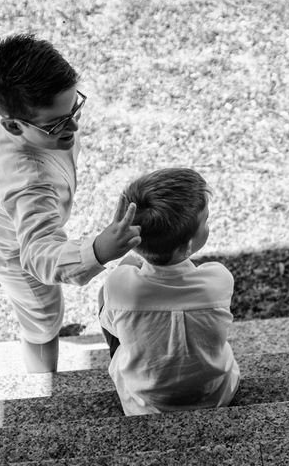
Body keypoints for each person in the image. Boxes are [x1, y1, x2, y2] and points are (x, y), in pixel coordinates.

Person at [0, 34, 141, 373]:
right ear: (13, 125)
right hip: (9, 249)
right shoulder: (29, 181)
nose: (74, 125)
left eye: (74, 108)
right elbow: (37, 255)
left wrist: (54, 124)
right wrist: (98, 250)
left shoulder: (15, 110)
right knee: (43, 322)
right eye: (57, 123)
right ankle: (43, 395)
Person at [98, 168, 240, 416]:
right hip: (216, 394)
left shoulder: (119, 285)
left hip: (144, 405)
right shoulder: (218, 278)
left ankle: (124, 363)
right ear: (187, 245)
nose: (207, 224)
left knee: (105, 296)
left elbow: (111, 325)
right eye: (205, 221)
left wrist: (127, 265)